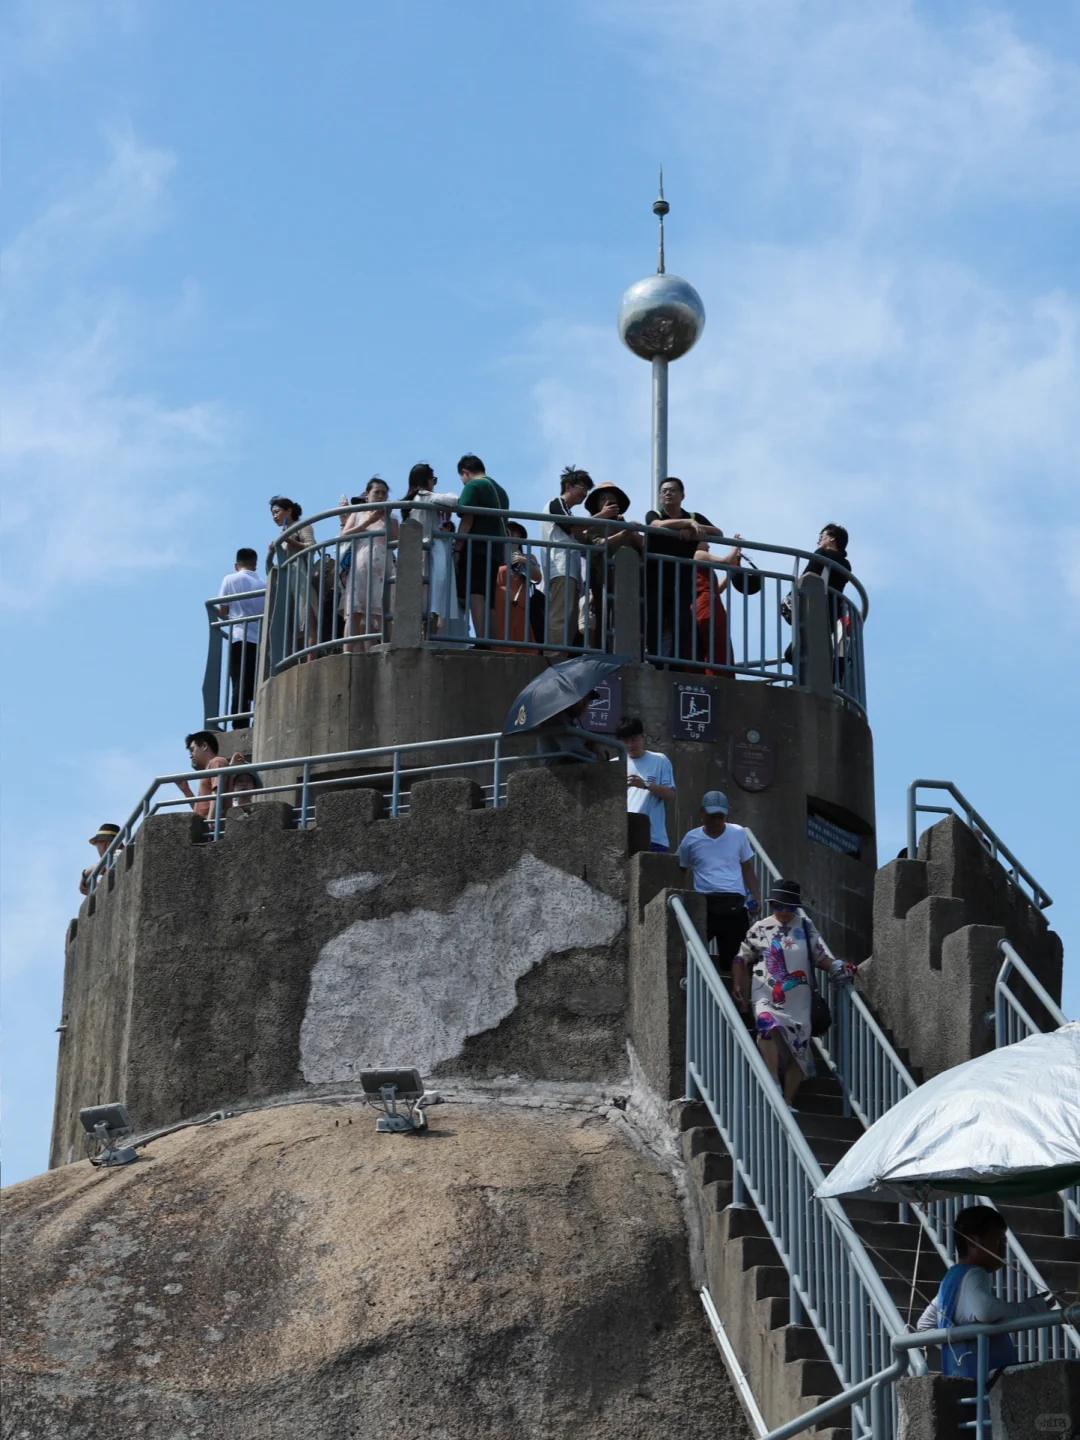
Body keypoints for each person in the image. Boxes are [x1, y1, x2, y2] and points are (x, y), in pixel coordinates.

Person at [732, 878, 855, 1106]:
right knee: (765, 1026)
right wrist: (738, 983)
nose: (784, 911)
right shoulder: (761, 928)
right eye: (779, 906)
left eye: (789, 907)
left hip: (800, 1001)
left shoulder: (806, 927)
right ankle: (773, 1084)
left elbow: (820, 957)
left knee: (799, 1052)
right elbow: (741, 957)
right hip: (766, 992)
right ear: (771, 905)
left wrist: (838, 965)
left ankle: (786, 1104)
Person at [916, 1205, 1050, 1377]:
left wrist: (959, 1342)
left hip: (963, 1378)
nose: (1003, 1249)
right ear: (972, 1241)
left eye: (1004, 1242)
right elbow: (985, 1311)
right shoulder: (975, 1274)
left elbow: (924, 1326)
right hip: (986, 1382)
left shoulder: (951, 1279)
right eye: (998, 1241)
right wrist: (1030, 1308)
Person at [677, 790, 762, 968]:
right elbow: (681, 869)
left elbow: (747, 867)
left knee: (737, 961)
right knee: (693, 953)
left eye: (720, 816)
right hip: (704, 901)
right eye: (712, 816)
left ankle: (735, 994)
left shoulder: (738, 833)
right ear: (702, 813)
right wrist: (684, 897)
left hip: (734, 901)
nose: (716, 821)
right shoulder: (691, 839)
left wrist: (756, 895)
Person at [645, 478, 724, 664]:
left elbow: (718, 532)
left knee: (681, 624)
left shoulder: (694, 516)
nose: (667, 494)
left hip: (683, 581)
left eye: (672, 490)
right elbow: (655, 525)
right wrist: (685, 523)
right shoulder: (655, 514)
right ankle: (654, 663)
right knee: (654, 622)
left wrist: (694, 528)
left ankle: (677, 666)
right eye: (663, 491)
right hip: (655, 579)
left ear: (682, 495)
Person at [339, 478, 399, 653]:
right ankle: (348, 652)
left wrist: (386, 516)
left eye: (384, 493)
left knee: (383, 613)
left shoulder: (391, 518)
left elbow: (397, 540)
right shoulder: (357, 514)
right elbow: (344, 535)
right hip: (360, 567)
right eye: (376, 492)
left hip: (383, 569)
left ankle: (389, 649)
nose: (380, 496)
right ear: (367, 494)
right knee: (355, 612)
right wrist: (367, 522)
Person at [454, 455, 509, 643]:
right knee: (489, 599)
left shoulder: (473, 486)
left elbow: (467, 518)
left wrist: (457, 549)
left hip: (477, 548)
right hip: (495, 551)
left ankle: (482, 641)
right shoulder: (501, 491)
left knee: (475, 594)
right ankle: (493, 642)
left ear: (465, 472)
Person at [401, 463, 460, 635]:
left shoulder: (411, 500)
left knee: (422, 596)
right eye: (433, 479)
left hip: (416, 550)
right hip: (432, 548)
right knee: (435, 596)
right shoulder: (426, 495)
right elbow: (454, 500)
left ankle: (423, 635)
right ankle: (429, 636)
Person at [582, 482, 642, 647]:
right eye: (603, 499)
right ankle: (604, 653)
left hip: (628, 582)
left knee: (628, 618)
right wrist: (622, 534)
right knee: (604, 619)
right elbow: (598, 544)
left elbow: (644, 549)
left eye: (611, 499)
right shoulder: (592, 525)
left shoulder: (625, 524)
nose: (608, 502)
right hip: (602, 580)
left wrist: (633, 532)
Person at [541, 466, 594, 651]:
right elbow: (573, 527)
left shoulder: (567, 510)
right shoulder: (556, 503)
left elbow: (581, 534)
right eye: (582, 487)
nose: (585, 493)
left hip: (568, 568)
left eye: (588, 489)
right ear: (568, 486)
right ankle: (554, 656)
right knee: (560, 615)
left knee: (569, 616)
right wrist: (602, 517)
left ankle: (561, 656)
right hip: (560, 566)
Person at [216, 548, 265, 725]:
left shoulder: (229, 579)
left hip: (238, 637)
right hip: (259, 639)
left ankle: (239, 722)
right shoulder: (263, 584)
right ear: (255, 565)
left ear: (236, 565)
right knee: (255, 681)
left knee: (238, 680)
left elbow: (223, 609)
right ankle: (257, 721)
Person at [266, 497, 318, 659]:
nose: (274, 516)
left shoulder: (302, 526)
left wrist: (288, 540)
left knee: (308, 622)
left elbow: (312, 546)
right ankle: (301, 661)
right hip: (288, 580)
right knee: (294, 626)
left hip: (301, 577)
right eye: (272, 513)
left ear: (289, 510)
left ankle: (311, 661)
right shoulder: (283, 532)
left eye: (277, 511)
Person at [614, 716, 675, 852]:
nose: (630, 745)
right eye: (625, 741)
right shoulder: (614, 764)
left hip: (653, 838)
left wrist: (645, 784)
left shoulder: (660, 760)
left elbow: (671, 794)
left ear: (643, 736)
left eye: (634, 739)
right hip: (621, 838)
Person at [692, 537, 742, 673]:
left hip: (709, 602)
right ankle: (719, 676)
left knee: (715, 644)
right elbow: (726, 561)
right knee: (718, 644)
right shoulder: (698, 553)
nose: (708, 546)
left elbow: (718, 588)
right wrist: (736, 546)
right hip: (707, 604)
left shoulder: (699, 560)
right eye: (705, 541)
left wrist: (735, 560)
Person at [175, 731, 246, 820]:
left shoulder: (217, 762)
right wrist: (186, 790)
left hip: (213, 828)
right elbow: (200, 810)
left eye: (192, 750)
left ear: (204, 746)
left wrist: (210, 822)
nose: (191, 755)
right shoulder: (211, 768)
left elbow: (217, 793)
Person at [506, 521, 546, 645]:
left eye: (515, 532)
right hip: (502, 597)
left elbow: (537, 578)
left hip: (522, 600)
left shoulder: (528, 556)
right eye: (508, 531)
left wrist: (524, 561)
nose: (511, 535)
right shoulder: (496, 554)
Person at [80, 823, 122, 895]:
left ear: (105, 842)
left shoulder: (119, 853)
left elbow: (101, 867)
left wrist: (84, 875)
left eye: (97, 843)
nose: (97, 846)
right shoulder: (116, 855)